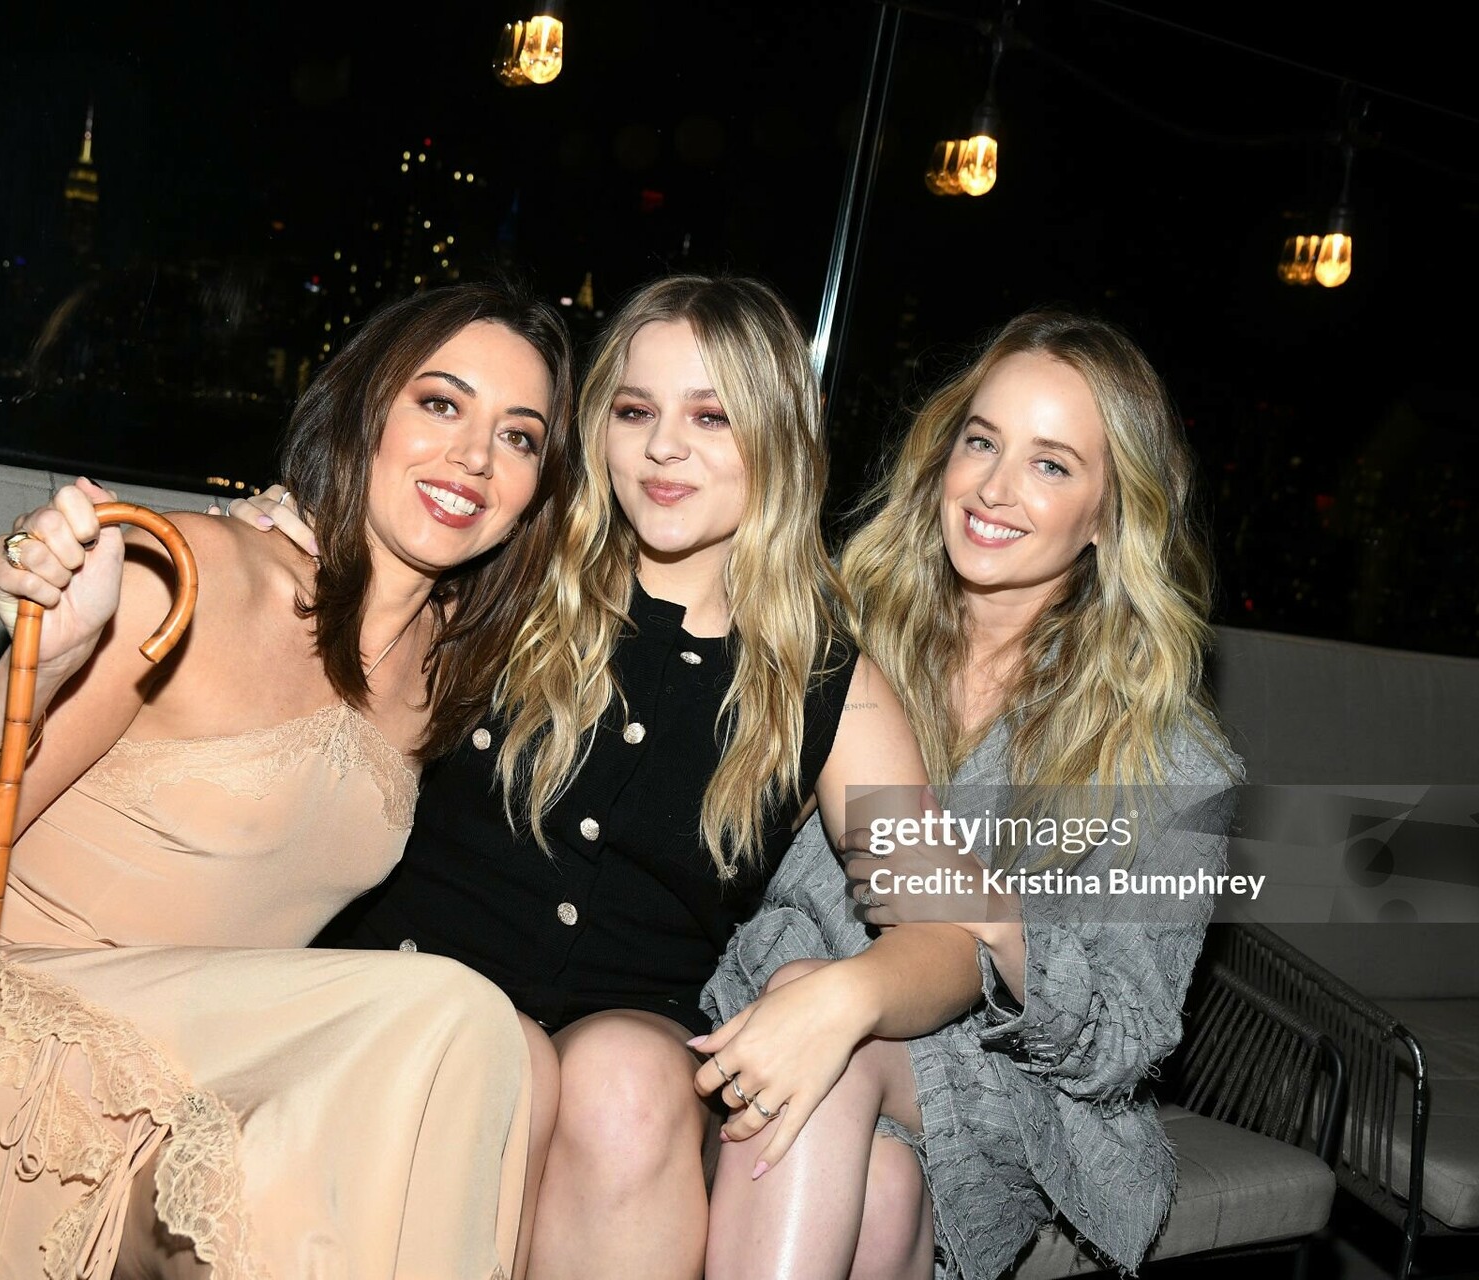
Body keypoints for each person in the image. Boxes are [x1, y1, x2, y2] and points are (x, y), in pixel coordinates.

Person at [0, 281, 577, 1280]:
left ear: (537, 488)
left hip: (189, 1083)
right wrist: (35, 669)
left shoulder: (448, 670)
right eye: (440, 403)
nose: (474, 456)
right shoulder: (186, 577)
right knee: (456, 1019)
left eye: (518, 437)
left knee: (441, 1096)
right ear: (362, 409)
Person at [233, 274, 984, 1280]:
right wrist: (286, 535)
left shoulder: (825, 684)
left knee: (625, 1075)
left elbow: (953, 936)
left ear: (779, 438)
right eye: (635, 411)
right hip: (409, 1007)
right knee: (494, 1052)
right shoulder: (505, 577)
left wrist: (847, 997)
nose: (664, 447)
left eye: (711, 416)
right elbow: (340, 575)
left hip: (626, 1076)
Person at [698, 308, 1244, 1280]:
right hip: (774, 1016)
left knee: (825, 1027)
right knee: (882, 1189)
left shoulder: (1173, 755)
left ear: (1109, 514)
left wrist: (996, 918)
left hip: (1003, 1080)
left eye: (1051, 464)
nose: (994, 487)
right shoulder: (842, 631)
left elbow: (1128, 1035)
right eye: (982, 442)